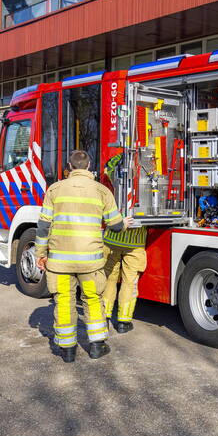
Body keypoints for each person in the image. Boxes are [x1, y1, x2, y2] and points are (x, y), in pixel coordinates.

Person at [35, 150, 133, 362]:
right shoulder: (101, 190)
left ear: (69, 167)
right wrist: (124, 224)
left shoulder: (55, 189)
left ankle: (68, 350)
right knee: (92, 299)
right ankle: (97, 345)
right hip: (90, 263)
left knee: (64, 301)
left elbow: (43, 226)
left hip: (60, 263)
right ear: (89, 167)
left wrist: (40, 254)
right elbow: (115, 225)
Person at [102, 224, 148, 334]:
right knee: (129, 283)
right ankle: (124, 322)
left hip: (112, 241)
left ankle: (104, 318)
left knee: (109, 280)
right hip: (135, 245)